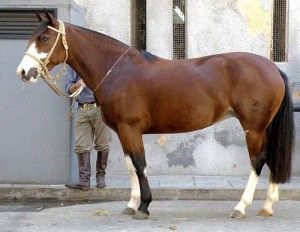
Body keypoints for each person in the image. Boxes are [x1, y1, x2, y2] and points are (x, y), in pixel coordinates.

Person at [65, 68, 110, 190]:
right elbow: (68, 88)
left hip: (100, 108)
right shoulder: (73, 66)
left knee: (103, 144)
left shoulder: (97, 59)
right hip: (82, 110)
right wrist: (76, 85)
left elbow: (110, 83)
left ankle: (101, 177)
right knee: (81, 146)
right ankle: (84, 180)